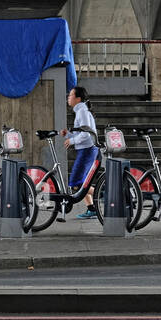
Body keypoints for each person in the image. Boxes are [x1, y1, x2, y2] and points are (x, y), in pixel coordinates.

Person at [62, 85, 99, 221]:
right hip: (86, 150)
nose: (68, 97)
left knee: (77, 183)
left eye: (71, 95)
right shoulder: (81, 111)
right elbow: (82, 132)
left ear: (78, 98)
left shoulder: (82, 112)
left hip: (87, 150)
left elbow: (87, 135)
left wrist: (71, 141)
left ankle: (107, 194)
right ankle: (91, 209)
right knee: (83, 181)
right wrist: (69, 135)